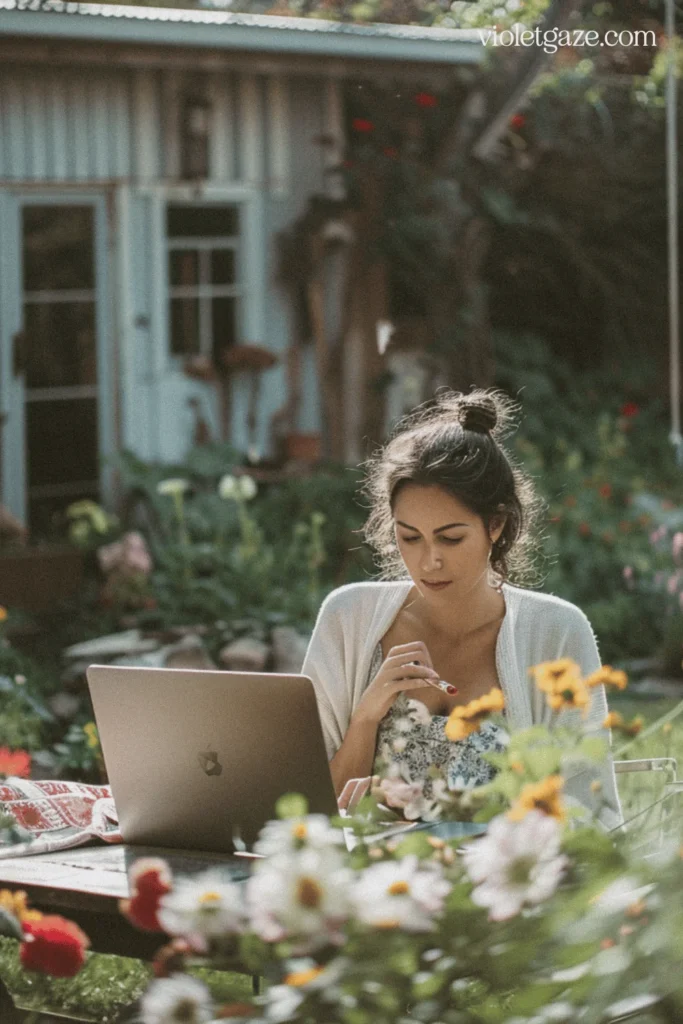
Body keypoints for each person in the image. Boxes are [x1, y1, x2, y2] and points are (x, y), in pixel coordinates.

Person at [301, 388, 623, 830]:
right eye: (409, 537)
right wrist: (365, 720)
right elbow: (309, 811)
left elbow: (590, 813)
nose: (428, 561)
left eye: (450, 538)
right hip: (372, 888)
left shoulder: (557, 631)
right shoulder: (348, 619)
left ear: (496, 524)